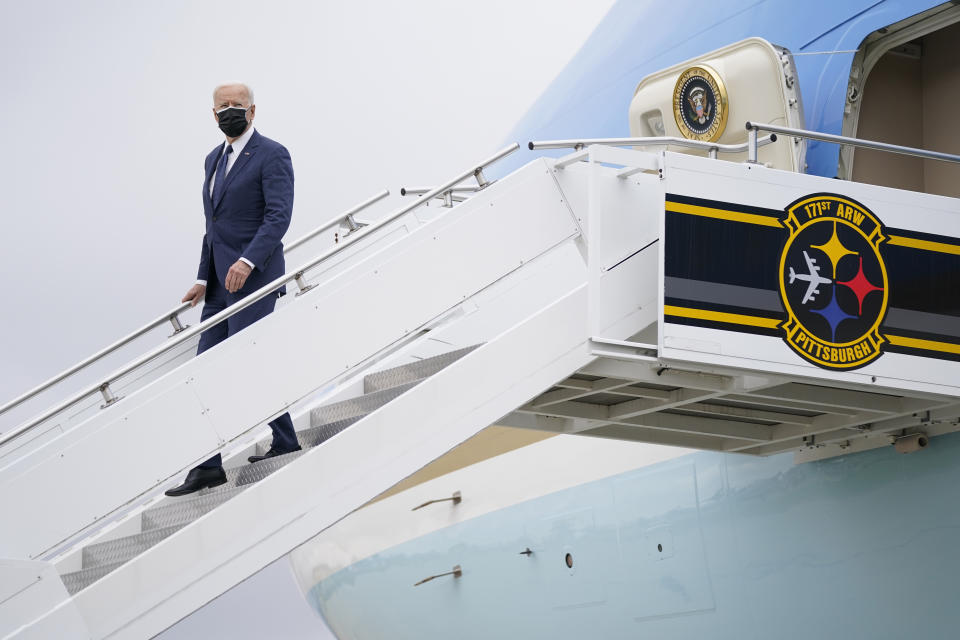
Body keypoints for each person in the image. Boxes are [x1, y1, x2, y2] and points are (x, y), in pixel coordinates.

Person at [165, 83, 301, 497]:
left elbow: (278, 217)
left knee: (240, 362)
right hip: (219, 287)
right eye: (222, 106)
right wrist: (203, 278)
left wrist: (247, 262)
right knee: (207, 368)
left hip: (255, 278)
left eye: (236, 105)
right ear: (213, 114)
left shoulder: (272, 154)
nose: (229, 111)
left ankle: (253, 448)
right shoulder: (213, 159)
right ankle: (216, 462)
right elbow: (215, 227)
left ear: (253, 111)